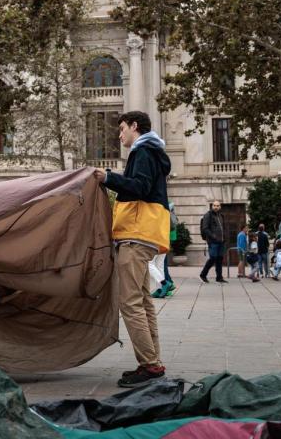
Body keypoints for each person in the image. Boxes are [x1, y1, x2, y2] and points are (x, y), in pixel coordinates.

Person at [95, 110, 171, 388]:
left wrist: (108, 177)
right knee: (143, 301)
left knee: (130, 303)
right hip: (147, 233)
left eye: (122, 128)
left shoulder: (143, 151)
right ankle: (153, 362)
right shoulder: (152, 151)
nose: (120, 134)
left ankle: (149, 366)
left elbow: (139, 187)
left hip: (136, 234)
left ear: (135, 127)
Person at [152, 202, 177, 298]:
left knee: (149, 263)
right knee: (159, 265)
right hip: (165, 240)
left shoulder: (155, 209)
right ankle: (160, 290)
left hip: (156, 239)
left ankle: (164, 283)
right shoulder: (167, 209)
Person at [199, 200, 227, 283]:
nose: (216, 207)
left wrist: (224, 237)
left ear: (220, 207)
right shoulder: (208, 215)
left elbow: (223, 228)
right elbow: (205, 228)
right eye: (214, 205)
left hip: (221, 241)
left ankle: (219, 277)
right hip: (213, 241)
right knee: (213, 258)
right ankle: (203, 275)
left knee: (220, 259)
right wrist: (213, 236)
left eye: (218, 205)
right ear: (212, 206)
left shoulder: (221, 215)